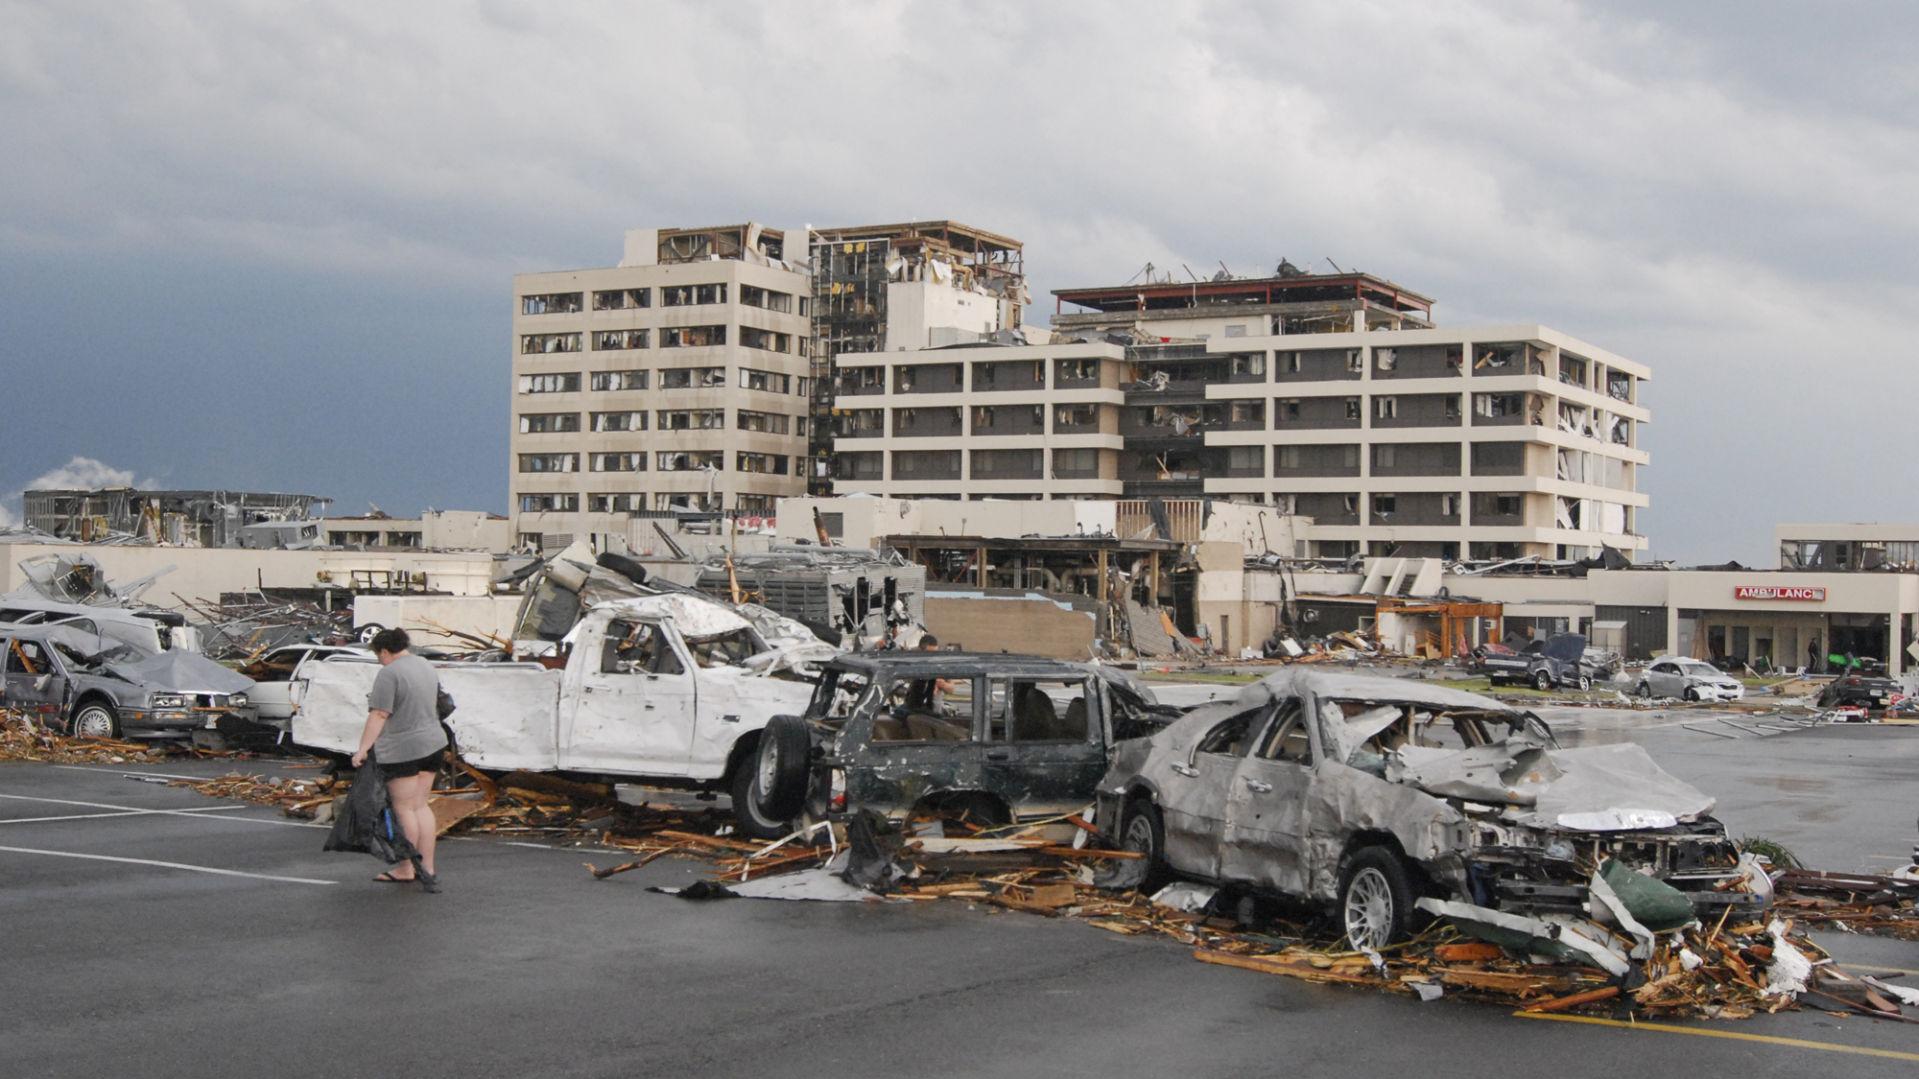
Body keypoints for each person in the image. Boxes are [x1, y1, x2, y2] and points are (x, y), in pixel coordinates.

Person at [351, 628, 447, 892]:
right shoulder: (424, 664)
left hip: (403, 748)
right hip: (434, 743)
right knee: (421, 806)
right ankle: (427, 867)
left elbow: (380, 714)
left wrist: (362, 749)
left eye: (378, 655)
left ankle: (406, 868)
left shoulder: (389, 673)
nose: (379, 661)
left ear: (384, 651)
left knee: (404, 809)